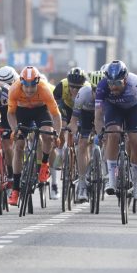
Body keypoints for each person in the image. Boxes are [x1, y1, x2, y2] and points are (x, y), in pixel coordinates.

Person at [7, 66, 62, 206]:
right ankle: (16, 190)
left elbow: (56, 115)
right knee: (18, 146)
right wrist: (15, 130)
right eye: (26, 87)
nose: (29, 90)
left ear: (37, 83)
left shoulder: (44, 89)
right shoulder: (14, 89)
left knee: (47, 135)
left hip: (40, 111)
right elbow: (11, 114)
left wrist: (57, 133)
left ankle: (44, 164)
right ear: (21, 83)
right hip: (22, 112)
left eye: (33, 86)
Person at [94, 60, 137, 200]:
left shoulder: (136, 83)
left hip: (133, 110)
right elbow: (98, 114)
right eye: (110, 83)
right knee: (112, 134)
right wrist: (100, 132)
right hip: (114, 109)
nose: (113, 87)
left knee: (135, 141)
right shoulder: (102, 86)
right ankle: (111, 179)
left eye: (117, 83)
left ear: (125, 79)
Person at [52, 67, 90, 199]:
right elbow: (53, 105)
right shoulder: (62, 85)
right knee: (62, 126)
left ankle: (84, 163)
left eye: (77, 88)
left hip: (82, 110)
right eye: (72, 87)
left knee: (83, 139)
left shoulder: (87, 89)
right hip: (66, 107)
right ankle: (62, 151)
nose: (74, 90)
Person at [68, 71, 103, 203]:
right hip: (86, 115)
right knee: (83, 144)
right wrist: (75, 132)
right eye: (95, 91)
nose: (97, 94)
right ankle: (82, 182)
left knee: (109, 138)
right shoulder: (83, 93)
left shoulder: (110, 95)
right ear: (91, 88)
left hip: (103, 115)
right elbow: (74, 119)